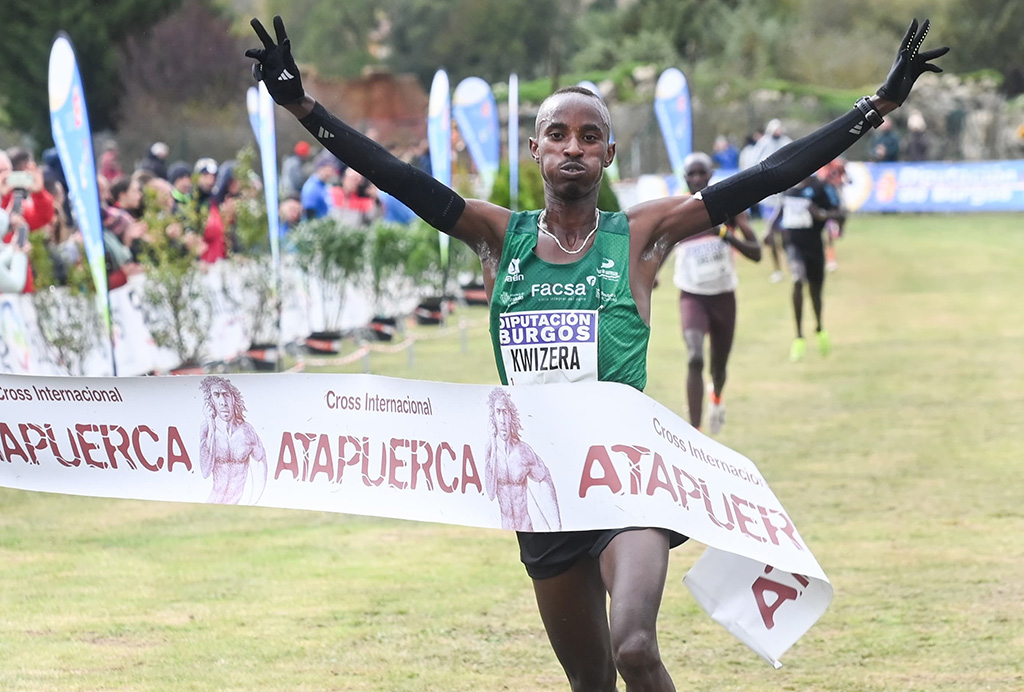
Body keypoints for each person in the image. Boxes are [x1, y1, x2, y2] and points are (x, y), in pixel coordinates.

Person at [246, 15, 945, 690]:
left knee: (634, 646)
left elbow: (765, 176)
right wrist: (306, 108)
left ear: (609, 153)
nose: (573, 146)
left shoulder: (643, 235)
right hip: (542, 489)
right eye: (557, 134)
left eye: (589, 136)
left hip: (627, 477)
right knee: (590, 681)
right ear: (537, 149)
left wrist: (875, 105)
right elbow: (400, 178)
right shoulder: (498, 237)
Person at [672, 152, 761, 434]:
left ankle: (717, 397)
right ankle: (695, 431)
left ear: (711, 175)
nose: (697, 179)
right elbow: (659, 248)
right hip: (692, 296)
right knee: (695, 357)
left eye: (702, 173)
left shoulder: (729, 206)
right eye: (691, 174)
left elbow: (756, 252)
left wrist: (723, 233)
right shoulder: (678, 210)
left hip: (723, 297)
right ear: (684, 178)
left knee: (718, 368)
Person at [768, 171, 845, 362]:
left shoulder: (820, 187)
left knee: (815, 293)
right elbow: (779, 211)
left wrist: (822, 214)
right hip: (793, 245)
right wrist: (769, 230)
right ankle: (799, 337)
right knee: (797, 280)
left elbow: (840, 212)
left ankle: (819, 327)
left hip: (814, 246)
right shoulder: (788, 187)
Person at [484, 387, 562, 530]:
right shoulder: (490, 450)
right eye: (498, 412)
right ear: (493, 418)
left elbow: (544, 477)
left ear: (510, 416)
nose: (502, 420)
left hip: (526, 529)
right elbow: (490, 492)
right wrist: (494, 447)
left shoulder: (523, 451)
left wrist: (556, 526)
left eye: (505, 412)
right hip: (505, 529)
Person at [198, 376, 268, 505]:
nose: (223, 402)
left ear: (233, 398)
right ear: (210, 402)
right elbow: (205, 471)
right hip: (213, 502)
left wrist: (255, 500)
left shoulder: (246, 431)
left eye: (226, 395)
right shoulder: (206, 428)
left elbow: (261, 461)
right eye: (216, 395)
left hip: (240, 503)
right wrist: (212, 428)